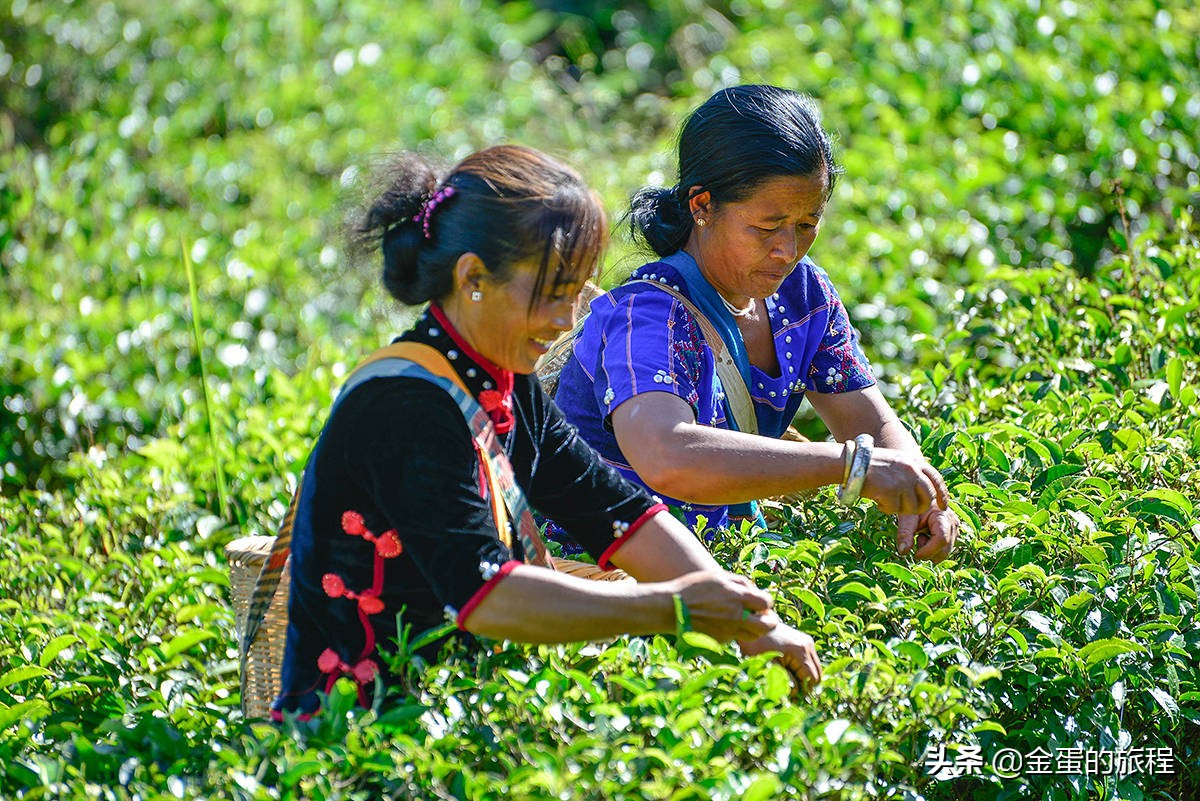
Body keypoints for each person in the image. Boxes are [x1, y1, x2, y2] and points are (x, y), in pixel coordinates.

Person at [272, 145, 821, 718]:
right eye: (552, 293)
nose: (566, 321)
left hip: (454, 713)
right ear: (473, 278)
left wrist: (745, 620)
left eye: (576, 292)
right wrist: (668, 608)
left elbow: (611, 509)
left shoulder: (502, 380)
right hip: (357, 733)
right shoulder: (403, 405)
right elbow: (489, 595)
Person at [553, 85, 960, 560]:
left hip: (725, 557)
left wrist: (922, 496)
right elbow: (668, 456)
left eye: (808, 224)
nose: (787, 250)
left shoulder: (803, 295)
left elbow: (869, 420)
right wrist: (852, 465)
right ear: (702, 206)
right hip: (601, 568)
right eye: (766, 228)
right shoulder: (649, 317)